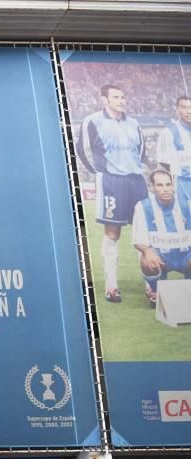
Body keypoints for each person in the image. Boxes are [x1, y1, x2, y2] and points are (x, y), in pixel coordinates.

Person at [77, 84, 147, 304]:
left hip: (137, 181)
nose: (121, 100)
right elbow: (83, 149)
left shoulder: (134, 122)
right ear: (104, 100)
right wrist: (101, 172)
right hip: (112, 182)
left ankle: (151, 286)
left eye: (123, 96)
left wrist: (135, 167)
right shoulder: (93, 121)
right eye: (116, 96)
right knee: (112, 234)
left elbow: (142, 150)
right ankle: (112, 287)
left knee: (144, 234)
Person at [132, 170, 191, 306]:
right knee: (146, 259)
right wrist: (147, 251)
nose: (165, 189)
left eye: (168, 184)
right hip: (162, 258)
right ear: (152, 188)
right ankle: (154, 291)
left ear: (173, 185)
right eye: (159, 185)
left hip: (185, 255)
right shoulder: (143, 206)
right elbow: (139, 241)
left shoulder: (187, 204)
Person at [156, 96, 191, 205]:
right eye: (184, 107)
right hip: (181, 184)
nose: (188, 111)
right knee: (183, 219)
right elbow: (162, 164)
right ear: (177, 109)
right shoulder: (169, 132)